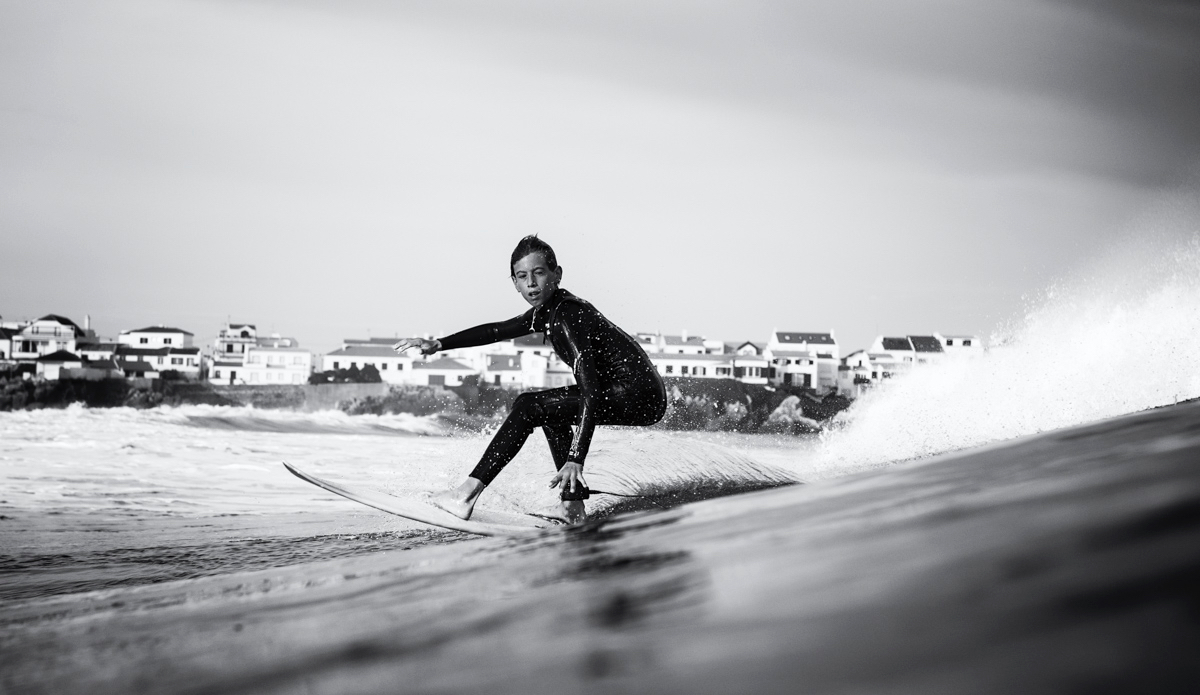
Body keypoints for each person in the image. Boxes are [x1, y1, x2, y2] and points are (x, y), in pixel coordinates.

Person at [393, 236, 666, 524]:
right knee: (545, 410)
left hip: (636, 394)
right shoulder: (546, 313)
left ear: (556, 274)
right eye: (523, 276)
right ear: (514, 282)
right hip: (631, 393)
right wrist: (439, 344)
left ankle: (466, 494)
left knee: (528, 407)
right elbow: (496, 331)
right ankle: (572, 507)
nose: (531, 283)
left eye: (539, 273)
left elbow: (590, 392)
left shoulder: (567, 316)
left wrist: (576, 458)